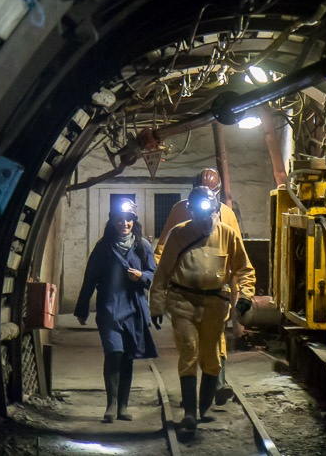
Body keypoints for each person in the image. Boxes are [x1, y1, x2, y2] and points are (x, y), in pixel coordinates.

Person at [149, 186, 255, 432]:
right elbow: (162, 273)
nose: (206, 218)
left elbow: (244, 269)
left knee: (211, 357)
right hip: (182, 301)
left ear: (216, 210)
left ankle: (204, 407)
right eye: (200, 213)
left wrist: (246, 295)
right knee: (189, 351)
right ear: (191, 211)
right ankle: (189, 413)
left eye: (210, 212)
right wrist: (156, 306)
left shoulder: (227, 234)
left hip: (214, 305)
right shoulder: (179, 234)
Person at [154, 167, 240, 406]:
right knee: (189, 347)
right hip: (184, 295)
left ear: (217, 193)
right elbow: (163, 250)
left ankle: (217, 385)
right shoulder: (180, 211)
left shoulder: (226, 215)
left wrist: (237, 293)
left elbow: (236, 255)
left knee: (215, 341)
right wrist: (166, 281)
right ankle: (192, 401)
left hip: (215, 294)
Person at [74, 199, 158, 423]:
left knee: (128, 357)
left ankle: (123, 406)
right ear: (112, 222)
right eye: (120, 220)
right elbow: (90, 278)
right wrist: (82, 308)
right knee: (114, 353)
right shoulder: (103, 247)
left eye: (128, 219)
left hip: (134, 309)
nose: (124, 223)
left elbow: (154, 274)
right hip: (109, 309)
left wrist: (142, 277)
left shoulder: (142, 246)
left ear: (134, 221)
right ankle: (111, 404)